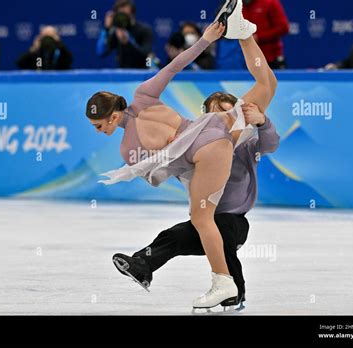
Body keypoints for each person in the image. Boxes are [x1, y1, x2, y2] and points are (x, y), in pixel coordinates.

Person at [86, 0, 276, 309]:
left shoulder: (126, 147)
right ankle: (243, 34)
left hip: (204, 150)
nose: (98, 131)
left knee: (201, 217)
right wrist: (205, 40)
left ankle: (223, 283)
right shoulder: (143, 94)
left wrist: (147, 166)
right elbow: (175, 65)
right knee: (267, 87)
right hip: (215, 127)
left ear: (110, 117)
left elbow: (162, 174)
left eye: (97, 125)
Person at [113, 95, 279, 309]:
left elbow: (271, 143)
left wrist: (262, 121)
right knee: (173, 236)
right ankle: (141, 264)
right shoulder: (197, 145)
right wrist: (170, 150)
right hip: (204, 222)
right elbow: (162, 169)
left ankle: (234, 292)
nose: (224, 120)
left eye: (230, 114)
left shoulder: (246, 147)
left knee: (223, 229)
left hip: (234, 222)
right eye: (216, 115)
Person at [96, 0, 153, 68]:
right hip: (122, 74)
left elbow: (145, 54)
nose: (123, 17)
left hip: (142, 74)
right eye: (120, 13)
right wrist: (106, 29)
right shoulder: (116, 32)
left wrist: (128, 41)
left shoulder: (145, 30)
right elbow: (101, 52)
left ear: (132, 12)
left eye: (125, 13)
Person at [242, 0, 289, 69]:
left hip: (271, 58)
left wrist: (259, 37)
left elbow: (283, 27)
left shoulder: (270, 2)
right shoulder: (238, 5)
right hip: (249, 58)